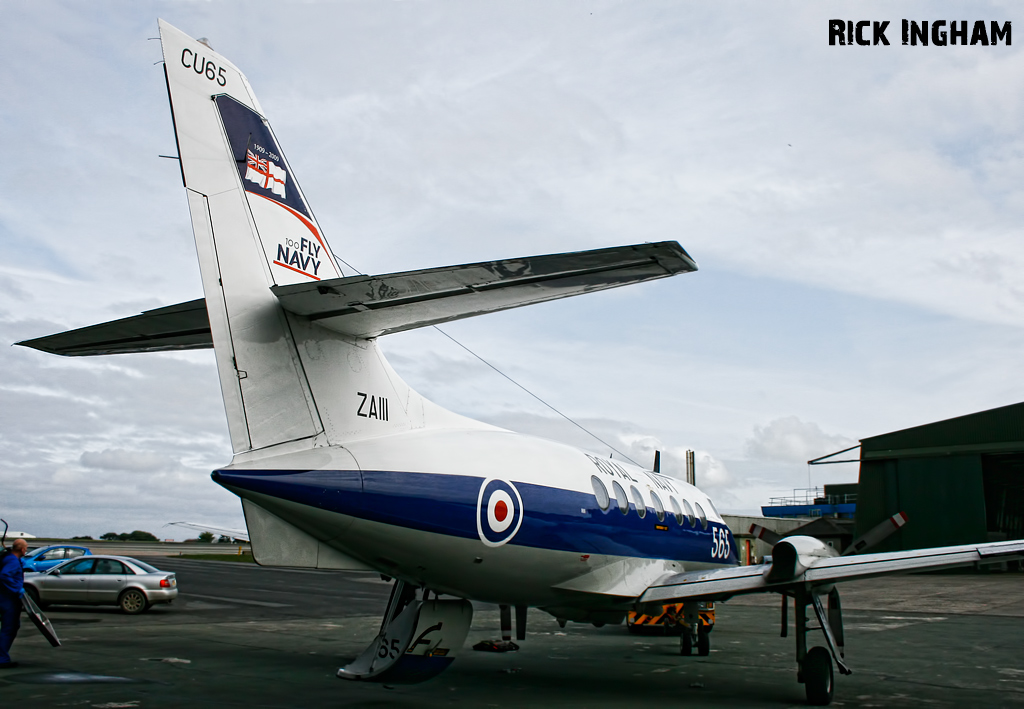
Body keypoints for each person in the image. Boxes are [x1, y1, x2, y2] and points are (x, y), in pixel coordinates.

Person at [0, 538, 28, 669]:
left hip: (6, 598)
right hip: (8, 600)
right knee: (9, 628)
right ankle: (2, 658)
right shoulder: (12, 561)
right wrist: (16, 589)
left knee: (11, 627)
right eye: (26, 548)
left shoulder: (10, 558)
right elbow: (5, 575)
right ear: (22, 549)